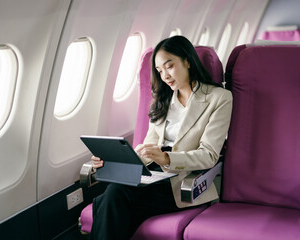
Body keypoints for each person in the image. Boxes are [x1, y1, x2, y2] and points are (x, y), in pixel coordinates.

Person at [91, 35, 233, 240]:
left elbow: (209, 155)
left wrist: (167, 159)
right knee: (113, 197)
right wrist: (115, 160)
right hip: (154, 176)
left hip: (186, 182)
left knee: (112, 198)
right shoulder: (162, 101)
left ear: (187, 60)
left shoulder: (219, 98)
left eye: (169, 66)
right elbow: (148, 149)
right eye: (159, 70)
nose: (165, 75)